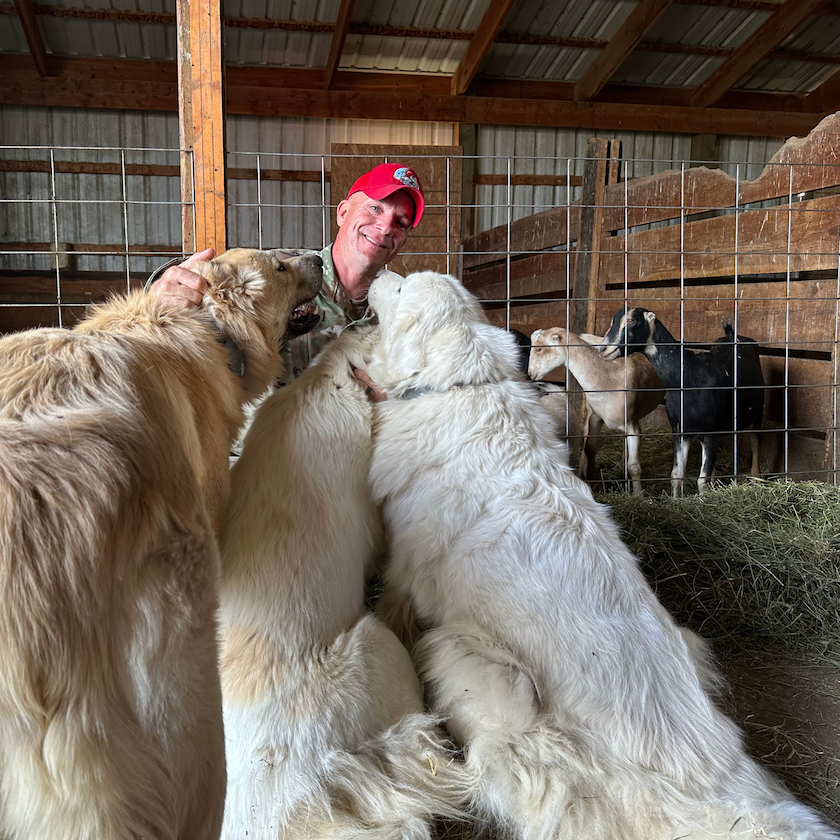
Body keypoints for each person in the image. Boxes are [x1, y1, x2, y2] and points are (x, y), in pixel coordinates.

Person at [151, 163, 425, 396]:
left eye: (401, 222)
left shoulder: (409, 308)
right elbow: (196, 298)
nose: (386, 227)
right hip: (250, 452)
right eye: (375, 208)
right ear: (342, 212)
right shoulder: (275, 271)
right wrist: (162, 295)